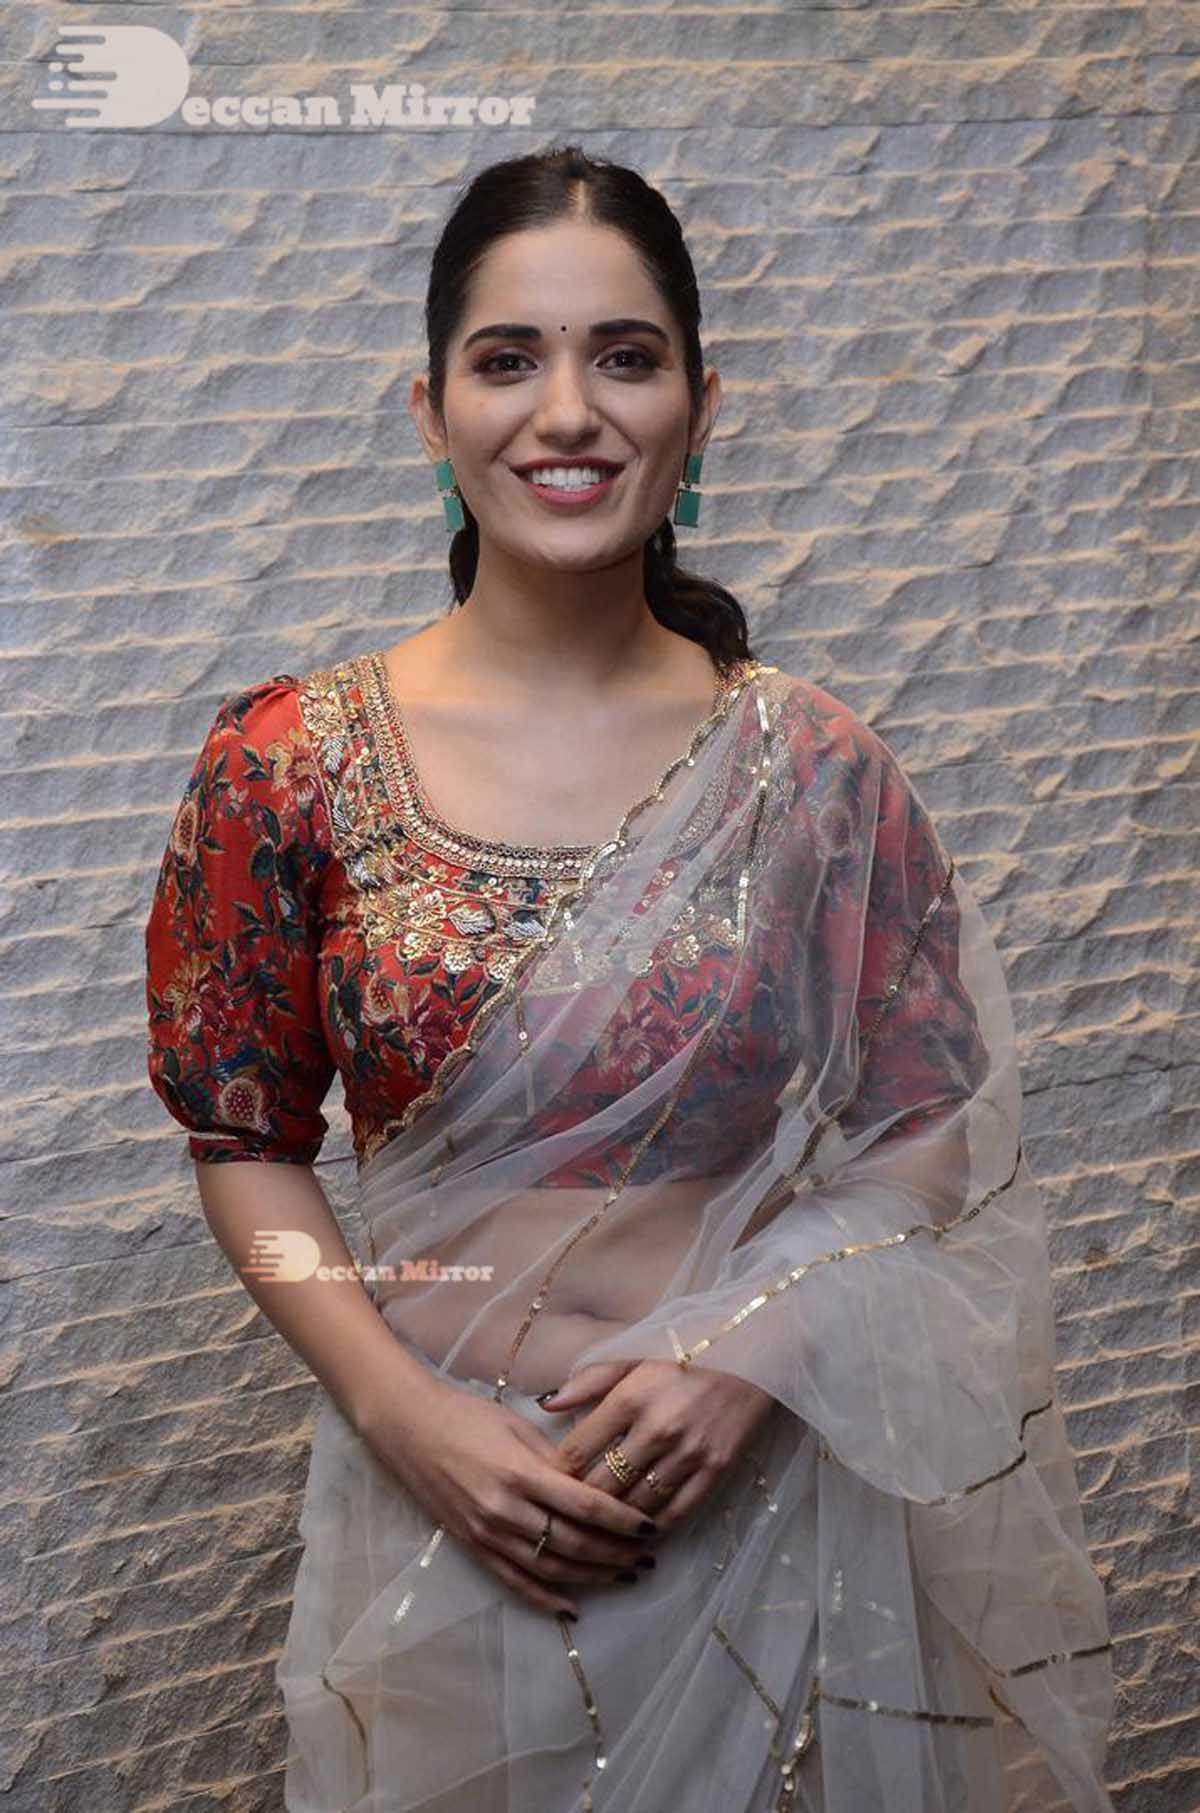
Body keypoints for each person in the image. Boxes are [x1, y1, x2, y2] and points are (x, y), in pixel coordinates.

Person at [144, 144, 1115, 1812]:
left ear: (700, 406)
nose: (568, 412)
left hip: (765, 1522)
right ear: (430, 410)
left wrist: (757, 1348)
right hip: (438, 1521)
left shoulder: (812, 768)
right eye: (507, 359)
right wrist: (398, 1409)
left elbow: (930, 1129)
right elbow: (245, 1144)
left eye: (626, 356)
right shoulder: (288, 764)